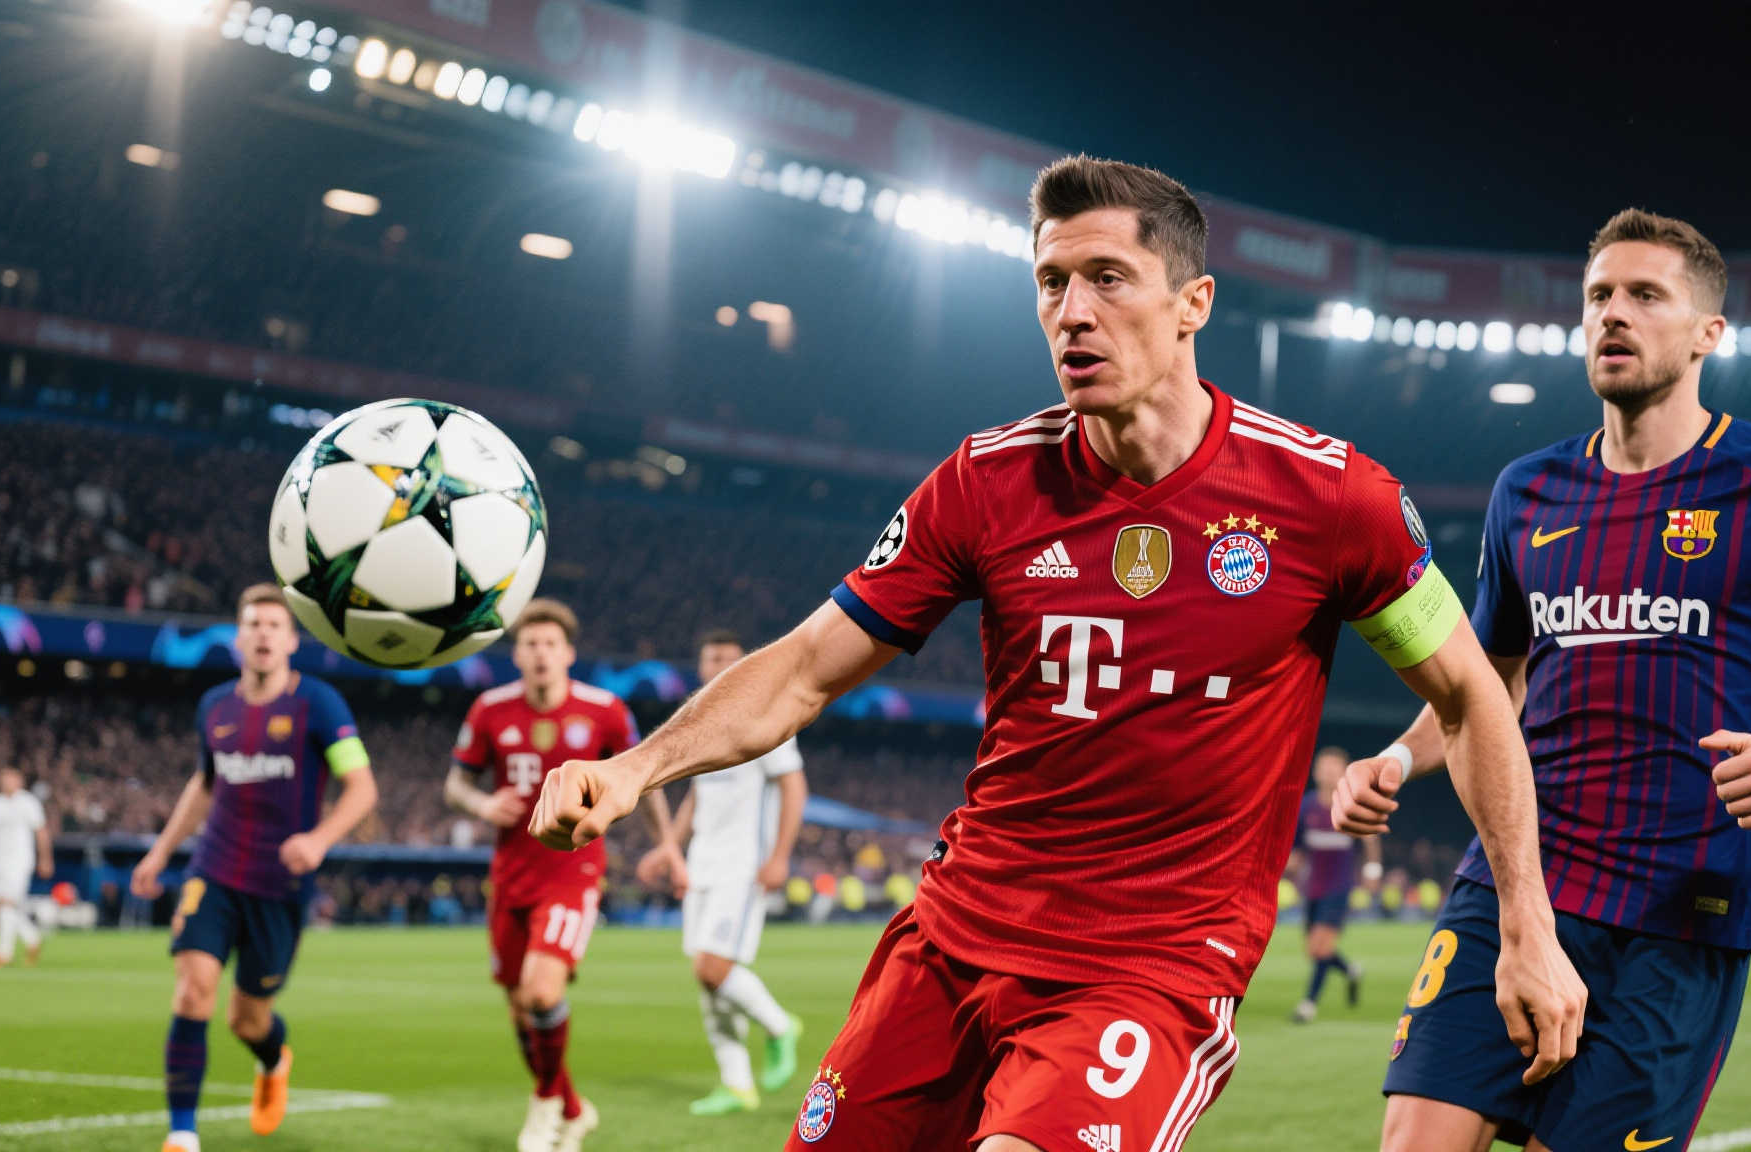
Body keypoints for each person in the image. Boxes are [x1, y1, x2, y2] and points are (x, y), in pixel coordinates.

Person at [532, 155, 1583, 1152]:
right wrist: (635, 768)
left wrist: (1524, 923)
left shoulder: (1330, 498)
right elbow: (806, 667)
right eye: (1050, 282)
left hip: (1148, 967)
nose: (1072, 311)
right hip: (953, 940)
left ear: (1192, 304)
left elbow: (1469, 697)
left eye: (1107, 278)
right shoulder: (983, 483)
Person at [1334, 208, 1751, 1152]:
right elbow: (1482, 686)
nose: (1612, 313)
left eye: (1646, 295)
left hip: (1679, 915)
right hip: (1517, 885)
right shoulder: (1526, 492)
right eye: (1599, 295)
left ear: (1707, 333)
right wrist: (1399, 760)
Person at [130, 584, 379, 1152]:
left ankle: (272, 1059)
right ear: (238, 638)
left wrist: (319, 840)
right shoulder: (215, 706)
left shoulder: (319, 704)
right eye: (253, 624)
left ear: (291, 641)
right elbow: (205, 783)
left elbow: (362, 787)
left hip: (279, 885)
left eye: (274, 625)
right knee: (193, 990)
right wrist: (161, 851)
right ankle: (182, 1133)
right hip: (213, 870)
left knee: (247, 1020)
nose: (263, 633)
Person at [444, 598, 656, 1152]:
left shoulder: (605, 710)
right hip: (510, 876)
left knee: (541, 994)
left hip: (572, 872)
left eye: (550, 644)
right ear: (516, 654)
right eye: (530, 644)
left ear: (568, 653)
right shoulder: (490, 709)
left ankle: (542, 1107)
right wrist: (482, 805)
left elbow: (642, 775)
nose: (540, 653)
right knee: (520, 1010)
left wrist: (665, 845)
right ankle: (573, 1109)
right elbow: (456, 784)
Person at [637, 629, 809, 1116]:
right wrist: (670, 847)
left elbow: (794, 788)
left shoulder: (767, 716)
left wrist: (779, 856)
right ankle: (736, 1084)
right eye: (713, 659)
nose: (722, 667)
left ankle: (781, 1027)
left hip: (742, 865)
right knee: (708, 979)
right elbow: (696, 797)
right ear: (701, 667)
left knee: (712, 967)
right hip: (702, 865)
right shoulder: (699, 724)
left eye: (732, 660)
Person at [1290, 747, 1379, 1023]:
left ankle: (1308, 1004)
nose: (1328, 772)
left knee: (1320, 947)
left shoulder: (1352, 805)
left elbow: (1370, 839)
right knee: (1315, 950)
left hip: (1339, 887)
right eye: (1324, 767)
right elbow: (1297, 849)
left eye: (1333, 767)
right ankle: (1350, 970)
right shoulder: (1306, 806)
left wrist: (1372, 871)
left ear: (1344, 771)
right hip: (1312, 888)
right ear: (1316, 771)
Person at [0, 766, 52, 966]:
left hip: (19, 861)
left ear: (19, 781)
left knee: (7, 903)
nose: (5, 782)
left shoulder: (28, 802)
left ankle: (4, 953)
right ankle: (32, 938)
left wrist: (45, 859)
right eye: (3, 779)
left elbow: (41, 831)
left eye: (10, 779)